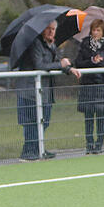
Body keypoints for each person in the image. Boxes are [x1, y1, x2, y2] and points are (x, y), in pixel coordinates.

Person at [16, 20, 81, 161]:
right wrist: (60, 63)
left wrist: (69, 69)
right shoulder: (35, 44)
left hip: (45, 92)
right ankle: (28, 153)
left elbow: (57, 64)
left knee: (44, 121)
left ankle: (38, 149)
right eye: (48, 29)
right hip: (30, 91)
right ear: (41, 30)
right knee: (32, 122)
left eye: (53, 29)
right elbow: (39, 65)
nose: (51, 31)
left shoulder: (52, 45)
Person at [74, 19, 104, 154]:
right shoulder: (85, 44)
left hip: (102, 86)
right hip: (87, 84)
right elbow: (78, 62)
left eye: (98, 30)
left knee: (101, 115)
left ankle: (99, 144)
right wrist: (92, 61)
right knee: (88, 116)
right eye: (94, 29)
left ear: (103, 31)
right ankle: (89, 143)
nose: (95, 32)